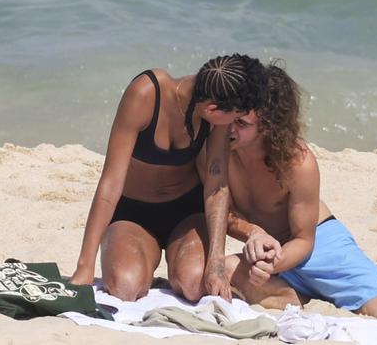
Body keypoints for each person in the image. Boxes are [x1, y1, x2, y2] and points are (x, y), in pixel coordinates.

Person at [221, 63, 377, 323]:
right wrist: (255, 234)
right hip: (267, 248)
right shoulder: (220, 149)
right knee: (216, 271)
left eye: (241, 123)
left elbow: (303, 240)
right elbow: (221, 210)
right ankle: (289, 295)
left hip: (317, 242)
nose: (230, 127)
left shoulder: (297, 161)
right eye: (230, 117)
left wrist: (274, 264)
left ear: (267, 125)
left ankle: (296, 287)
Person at [70, 54, 267, 302]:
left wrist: (216, 263)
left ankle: (177, 271)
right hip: (134, 213)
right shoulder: (145, 94)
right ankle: (145, 269)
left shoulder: (217, 107)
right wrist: (84, 266)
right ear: (211, 109)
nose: (234, 125)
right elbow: (110, 183)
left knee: (197, 286)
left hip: (186, 211)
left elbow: (216, 183)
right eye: (235, 117)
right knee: (124, 288)